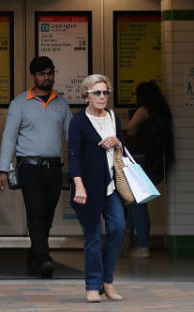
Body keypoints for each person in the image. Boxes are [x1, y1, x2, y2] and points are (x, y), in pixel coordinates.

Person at [0, 56, 72, 278]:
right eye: (42, 74)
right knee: (36, 212)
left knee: (47, 215)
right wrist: (3, 168)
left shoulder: (61, 103)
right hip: (29, 167)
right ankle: (44, 258)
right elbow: (9, 137)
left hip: (54, 168)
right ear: (33, 76)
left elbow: (71, 137)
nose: (47, 77)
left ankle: (35, 253)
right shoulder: (20, 103)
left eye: (50, 73)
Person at [68, 74, 126, 303]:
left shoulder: (113, 117)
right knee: (92, 235)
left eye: (105, 93)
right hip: (87, 187)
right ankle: (93, 286)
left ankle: (107, 282)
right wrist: (78, 186)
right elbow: (73, 155)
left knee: (118, 228)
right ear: (86, 96)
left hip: (111, 186)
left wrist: (117, 142)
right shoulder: (78, 121)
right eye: (97, 93)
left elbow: (121, 146)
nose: (102, 97)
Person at [123, 80, 174, 257]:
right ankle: (127, 237)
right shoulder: (163, 112)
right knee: (136, 202)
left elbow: (130, 130)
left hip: (142, 162)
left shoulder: (143, 111)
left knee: (136, 203)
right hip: (158, 162)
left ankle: (142, 246)